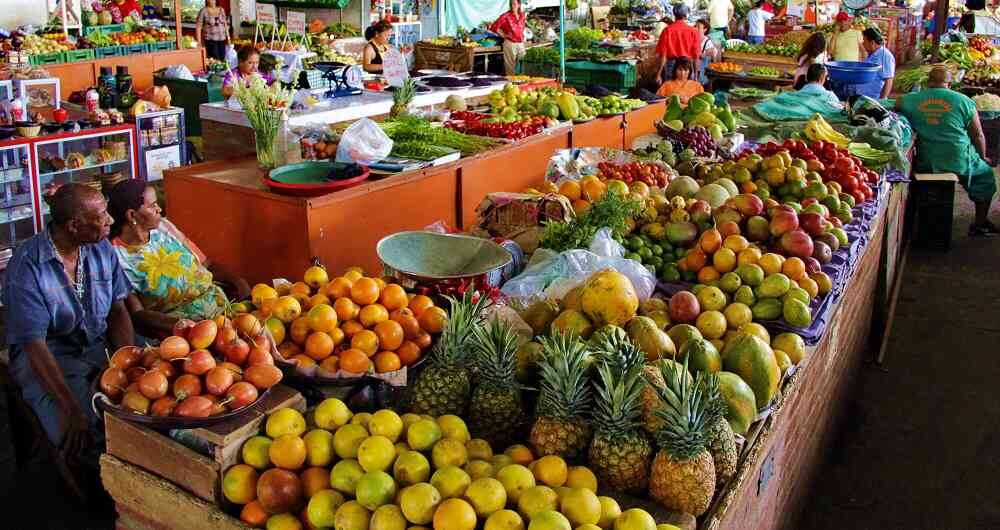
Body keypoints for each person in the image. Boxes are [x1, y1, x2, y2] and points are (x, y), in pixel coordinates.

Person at [2, 184, 134, 463]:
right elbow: (34, 345)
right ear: (75, 225)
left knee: (144, 398)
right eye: (102, 215)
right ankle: (92, 493)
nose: (111, 220)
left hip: (97, 342)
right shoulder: (27, 268)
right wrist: (70, 409)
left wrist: (128, 362)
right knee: (82, 433)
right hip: (49, 355)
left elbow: (117, 308)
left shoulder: (101, 249)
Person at [107, 180, 250, 336]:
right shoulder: (117, 256)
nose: (159, 209)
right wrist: (185, 327)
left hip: (224, 311)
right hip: (182, 332)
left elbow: (205, 263)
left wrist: (238, 281)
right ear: (132, 215)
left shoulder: (164, 227)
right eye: (152, 205)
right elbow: (138, 314)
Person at [897, 66, 998, 236]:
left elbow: (891, 107)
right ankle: (979, 223)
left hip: (926, 159)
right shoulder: (964, 101)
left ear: (928, 83)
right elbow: (978, 135)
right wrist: (983, 157)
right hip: (958, 159)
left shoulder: (908, 100)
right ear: (949, 84)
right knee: (985, 177)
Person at [656, 4, 701, 85]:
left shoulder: (667, 30)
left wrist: (658, 74)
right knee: (687, 93)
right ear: (686, 16)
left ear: (674, 14)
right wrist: (696, 76)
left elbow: (663, 56)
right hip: (687, 67)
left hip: (671, 67)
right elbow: (696, 57)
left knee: (670, 93)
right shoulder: (693, 31)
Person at [490, 0, 528, 76]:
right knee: (510, 66)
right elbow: (494, 27)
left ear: (519, 5)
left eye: (514, 4)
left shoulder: (522, 15)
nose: (513, 6)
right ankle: (511, 84)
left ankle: (522, 82)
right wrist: (504, 35)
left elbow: (522, 28)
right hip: (510, 43)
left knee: (524, 63)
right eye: (511, 4)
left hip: (520, 43)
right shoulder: (506, 15)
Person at [858, 28, 895, 100]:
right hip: (864, 98)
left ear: (872, 43)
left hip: (874, 99)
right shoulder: (872, 54)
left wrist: (881, 101)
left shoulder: (884, 55)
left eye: (864, 41)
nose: (863, 43)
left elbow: (889, 80)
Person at [695, 19, 721, 85]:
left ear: (705, 29)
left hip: (701, 72)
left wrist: (706, 54)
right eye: (695, 26)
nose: (695, 28)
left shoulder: (708, 42)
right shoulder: (692, 38)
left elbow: (714, 56)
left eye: (698, 27)